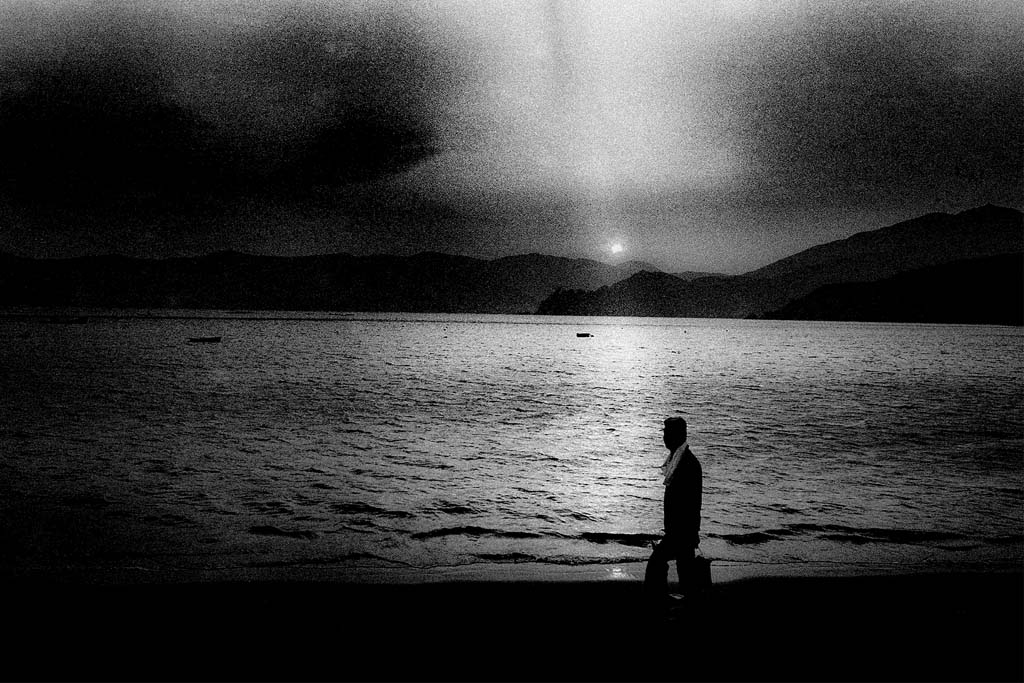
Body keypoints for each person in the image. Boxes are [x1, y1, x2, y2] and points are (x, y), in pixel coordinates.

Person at [644, 416, 703, 605]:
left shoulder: (686, 463)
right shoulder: (679, 460)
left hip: (681, 531)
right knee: (685, 573)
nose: (664, 438)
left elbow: (690, 502)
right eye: (664, 433)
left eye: (667, 434)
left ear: (677, 436)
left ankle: (658, 602)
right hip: (681, 530)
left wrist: (688, 532)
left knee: (657, 563)